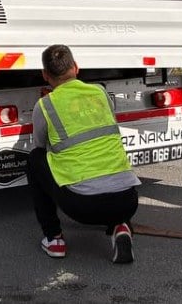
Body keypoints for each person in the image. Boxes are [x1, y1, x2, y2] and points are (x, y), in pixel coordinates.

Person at [27, 44, 139, 264]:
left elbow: (41, 145)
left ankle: (54, 239)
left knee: (35, 159)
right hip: (128, 201)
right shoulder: (99, 92)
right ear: (76, 67)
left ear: (45, 75)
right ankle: (120, 225)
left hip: (82, 207)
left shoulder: (45, 105)